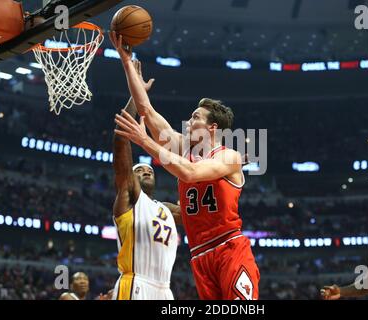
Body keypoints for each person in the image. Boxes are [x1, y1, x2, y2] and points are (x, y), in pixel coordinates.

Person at [110, 32, 260, 300]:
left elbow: (189, 173)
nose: (188, 122)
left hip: (228, 247)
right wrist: (125, 63)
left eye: (195, 118)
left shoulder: (229, 156)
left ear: (212, 128)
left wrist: (145, 141)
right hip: (199, 254)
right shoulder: (182, 148)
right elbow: (146, 110)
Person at [111, 63, 179, 300]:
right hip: (136, 282)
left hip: (165, 289)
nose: (146, 172)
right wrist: (137, 92)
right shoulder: (129, 194)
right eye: (139, 170)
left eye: (149, 170)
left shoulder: (166, 209)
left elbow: (200, 213)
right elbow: (120, 138)